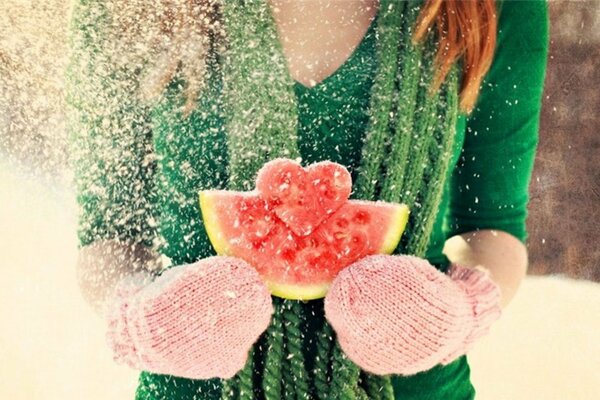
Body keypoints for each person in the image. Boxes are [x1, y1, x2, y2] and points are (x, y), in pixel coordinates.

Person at [67, 0, 549, 399]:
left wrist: (461, 311)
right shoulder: (127, 7)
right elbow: (107, 234)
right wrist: (140, 315)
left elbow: (494, 227)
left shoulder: (493, 7)